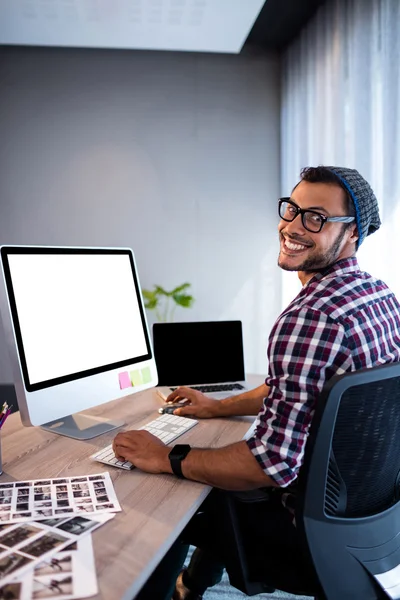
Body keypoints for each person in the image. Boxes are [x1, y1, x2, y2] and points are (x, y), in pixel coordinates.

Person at [113, 166, 400, 600]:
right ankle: (192, 586)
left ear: (354, 232)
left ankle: (174, 592)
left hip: (304, 535)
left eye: (316, 217)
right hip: (368, 519)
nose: (292, 226)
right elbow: (304, 389)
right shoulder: (378, 295)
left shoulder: (312, 316)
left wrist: (166, 457)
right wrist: (215, 407)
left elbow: (269, 465)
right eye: (292, 209)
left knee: (169, 501)